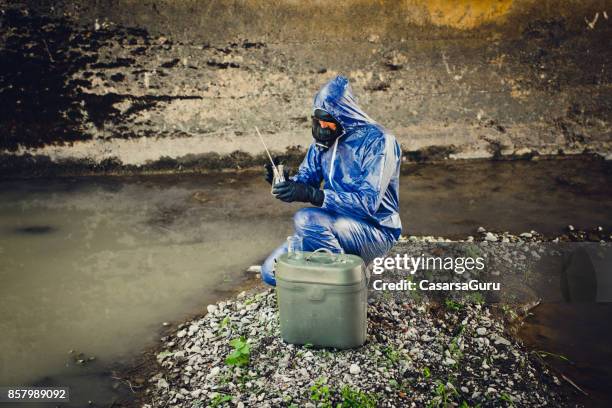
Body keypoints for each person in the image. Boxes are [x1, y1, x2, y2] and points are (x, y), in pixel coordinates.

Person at [261, 75, 402, 286]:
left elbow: (368, 203)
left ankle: (346, 281)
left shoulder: (379, 141)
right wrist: (287, 184)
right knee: (271, 271)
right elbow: (307, 180)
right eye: (317, 121)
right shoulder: (324, 140)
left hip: (374, 230)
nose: (321, 127)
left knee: (306, 219)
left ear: (344, 117)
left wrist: (314, 195)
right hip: (330, 224)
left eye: (327, 122)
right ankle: (323, 276)